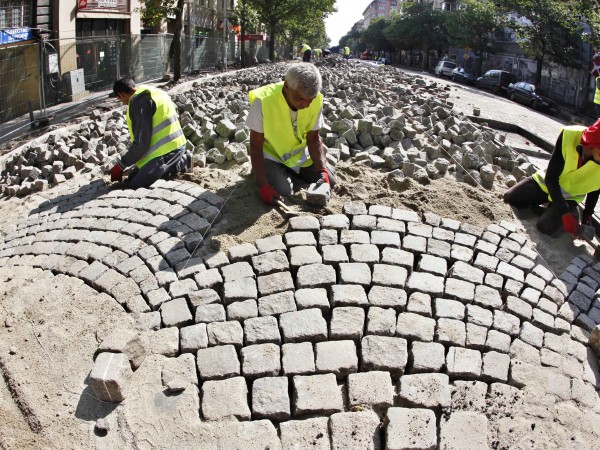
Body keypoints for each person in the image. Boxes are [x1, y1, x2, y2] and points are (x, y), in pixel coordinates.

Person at [246, 63, 336, 205]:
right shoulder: (263, 101)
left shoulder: (316, 99)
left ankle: (292, 174)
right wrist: (263, 186)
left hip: (298, 155)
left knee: (330, 180)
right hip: (272, 156)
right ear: (287, 87)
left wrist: (322, 170)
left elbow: (313, 138)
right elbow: (255, 146)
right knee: (284, 191)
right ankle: (264, 173)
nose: (306, 105)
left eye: (310, 100)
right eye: (301, 99)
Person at [503, 118, 600, 237]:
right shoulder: (570, 135)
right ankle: (558, 211)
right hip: (548, 184)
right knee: (510, 198)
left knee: (545, 226)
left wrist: (587, 215)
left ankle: (567, 211)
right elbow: (551, 178)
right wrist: (564, 213)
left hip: (570, 196)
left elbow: (596, 186)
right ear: (592, 143)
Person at [109, 76, 190, 189]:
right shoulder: (152, 92)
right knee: (132, 177)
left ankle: (183, 161)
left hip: (167, 152)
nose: (122, 103)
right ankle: (177, 160)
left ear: (121, 95)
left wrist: (121, 165)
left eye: (120, 99)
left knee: (135, 187)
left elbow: (141, 144)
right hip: (175, 145)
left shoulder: (139, 103)